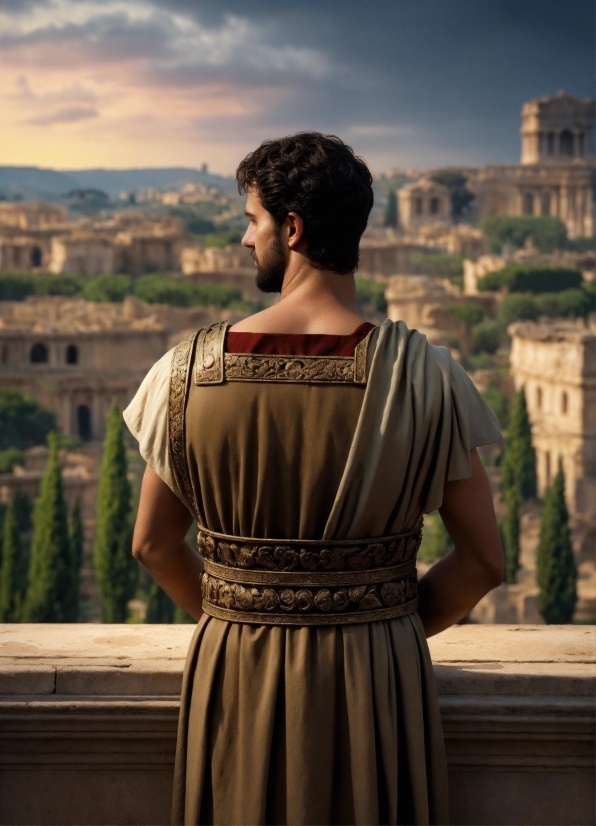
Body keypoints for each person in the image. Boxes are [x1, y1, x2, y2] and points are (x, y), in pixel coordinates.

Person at [124, 133, 504, 826]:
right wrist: (381, 622)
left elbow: (152, 545)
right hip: (378, 672)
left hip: (236, 664)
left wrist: (238, 615)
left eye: (251, 220)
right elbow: (483, 561)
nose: (245, 240)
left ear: (291, 229)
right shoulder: (429, 377)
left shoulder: (183, 374)